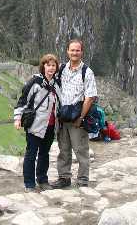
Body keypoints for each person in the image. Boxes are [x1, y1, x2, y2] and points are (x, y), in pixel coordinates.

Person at [51, 39, 98, 188]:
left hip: (77, 117)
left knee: (80, 150)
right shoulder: (62, 69)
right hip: (63, 117)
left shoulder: (87, 72)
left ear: (82, 52)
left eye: (77, 50)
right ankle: (64, 178)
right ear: (67, 51)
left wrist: (81, 118)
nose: (74, 53)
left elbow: (90, 97)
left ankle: (83, 180)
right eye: (72, 50)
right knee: (63, 150)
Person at [14, 54, 60, 192]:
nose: (51, 68)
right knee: (31, 153)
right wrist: (17, 118)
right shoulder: (35, 82)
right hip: (35, 125)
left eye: (53, 65)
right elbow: (23, 101)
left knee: (44, 153)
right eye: (48, 65)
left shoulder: (56, 84)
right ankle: (29, 183)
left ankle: (42, 179)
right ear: (43, 66)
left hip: (51, 126)